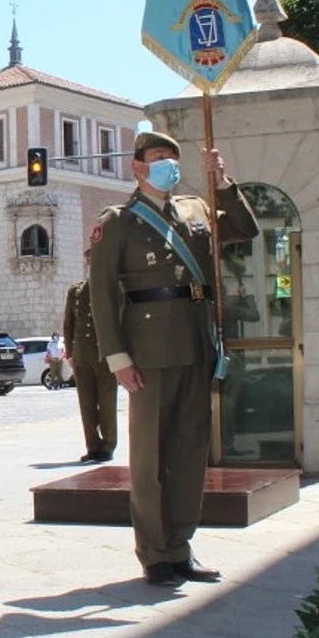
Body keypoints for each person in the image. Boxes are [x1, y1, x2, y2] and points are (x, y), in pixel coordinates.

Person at [89, 130, 257, 589]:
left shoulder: (196, 210)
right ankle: (154, 553)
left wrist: (221, 182)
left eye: (172, 159)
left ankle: (180, 547)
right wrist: (118, 357)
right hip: (148, 352)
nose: (168, 166)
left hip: (196, 343)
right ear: (138, 167)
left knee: (189, 452)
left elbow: (245, 228)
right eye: (158, 158)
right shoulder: (119, 221)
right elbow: (102, 297)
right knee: (150, 457)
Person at [63, 252, 116, 463]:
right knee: (86, 403)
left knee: (107, 402)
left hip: (105, 355)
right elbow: (69, 324)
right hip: (82, 355)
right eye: (89, 262)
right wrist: (70, 353)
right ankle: (92, 446)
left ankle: (108, 445)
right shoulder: (76, 291)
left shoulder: (112, 288)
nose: (91, 266)